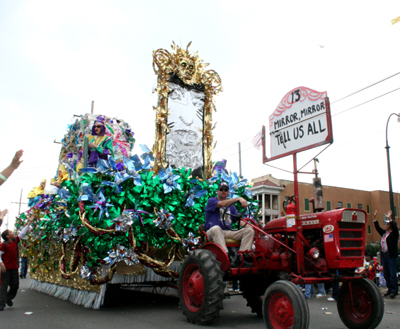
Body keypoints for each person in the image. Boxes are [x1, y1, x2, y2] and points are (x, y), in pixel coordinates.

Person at [205, 182, 255, 268]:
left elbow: (238, 221)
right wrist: (239, 199)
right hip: (212, 233)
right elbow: (223, 204)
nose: (223, 191)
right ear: (217, 191)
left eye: (226, 190)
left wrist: (254, 227)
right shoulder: (212, 201)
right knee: (216, 228)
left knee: (249, 231)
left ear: (228, 192)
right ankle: (226, 256)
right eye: (221, 189)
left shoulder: (232, 207)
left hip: (226, 232)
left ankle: (241, 257)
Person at [0, 215, 35, 311]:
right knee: (4, 286)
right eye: (10, 232)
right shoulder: (3, 245)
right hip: (6, 269)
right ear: (7, 236)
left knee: (15, 286)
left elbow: (22, 233)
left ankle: (8, 297)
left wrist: (29, 222)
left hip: (14, 268)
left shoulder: (15, 241)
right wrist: (2, 264)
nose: (12, 233)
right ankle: (1, 304)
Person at [373, 209, 399, 299]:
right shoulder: (385, 234)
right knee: (386, 274)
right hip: (384, 255)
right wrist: (375, 218)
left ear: (390, 226)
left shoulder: (394, 234)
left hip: (391, 256)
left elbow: (395, 228)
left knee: (392, 274)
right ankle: (390, 288)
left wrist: (390, 219)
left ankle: (394, 290)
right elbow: (378, 228)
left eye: (387, 224)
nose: (386, 225)